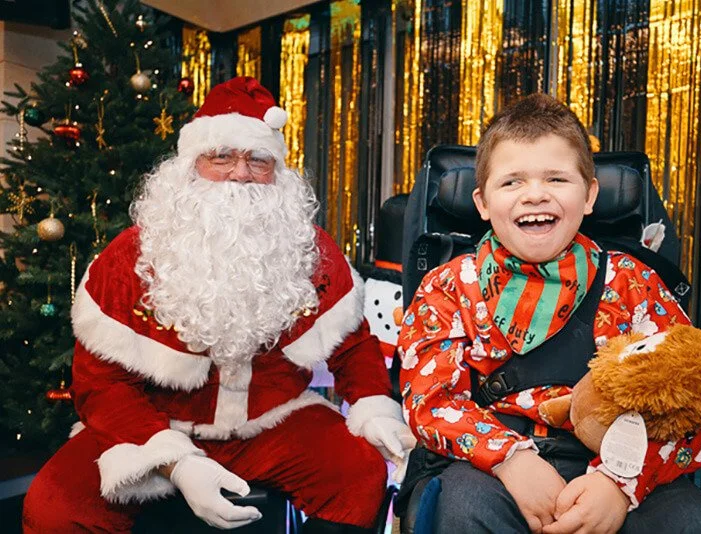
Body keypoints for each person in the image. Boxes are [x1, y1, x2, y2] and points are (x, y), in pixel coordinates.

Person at [23, 77, 415, 533]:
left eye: (258, 160)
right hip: (154, 422)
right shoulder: (131, 257)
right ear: (191, 165)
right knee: (53, 507)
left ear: (278, 172)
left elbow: (352, 346)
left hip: (274, 423)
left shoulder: (310, 251)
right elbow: (101, 384)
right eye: (222, 156)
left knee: (360, 475)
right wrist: (177, 464)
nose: (240, 173)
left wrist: (373, 408)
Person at [397, 94, 701, 533]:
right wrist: (509, 459)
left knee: (696, 521)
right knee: (461, 507)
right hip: (495, 463)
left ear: (591, 194)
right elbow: (430, 402)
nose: (535, 195)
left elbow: (698, 410)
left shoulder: (632, 281)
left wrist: (619, 482)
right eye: (512, 182)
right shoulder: (447, 286)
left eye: (556, 179)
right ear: (482, 203)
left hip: (618, 460)